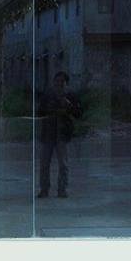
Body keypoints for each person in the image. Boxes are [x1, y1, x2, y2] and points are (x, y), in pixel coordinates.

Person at [37, 70, 81, 198]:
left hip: (62, 134)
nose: (59, 84)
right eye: (57, 82)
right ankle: (44, 189)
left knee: (63, 164)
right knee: (44, 163)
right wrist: (50, 109)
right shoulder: (47, 95)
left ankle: (62, 189)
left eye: (62, 82)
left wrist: (68, 106)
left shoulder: (71, 96)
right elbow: (39, 112)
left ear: (66, 83)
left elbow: (78, 113)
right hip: (48, 133)